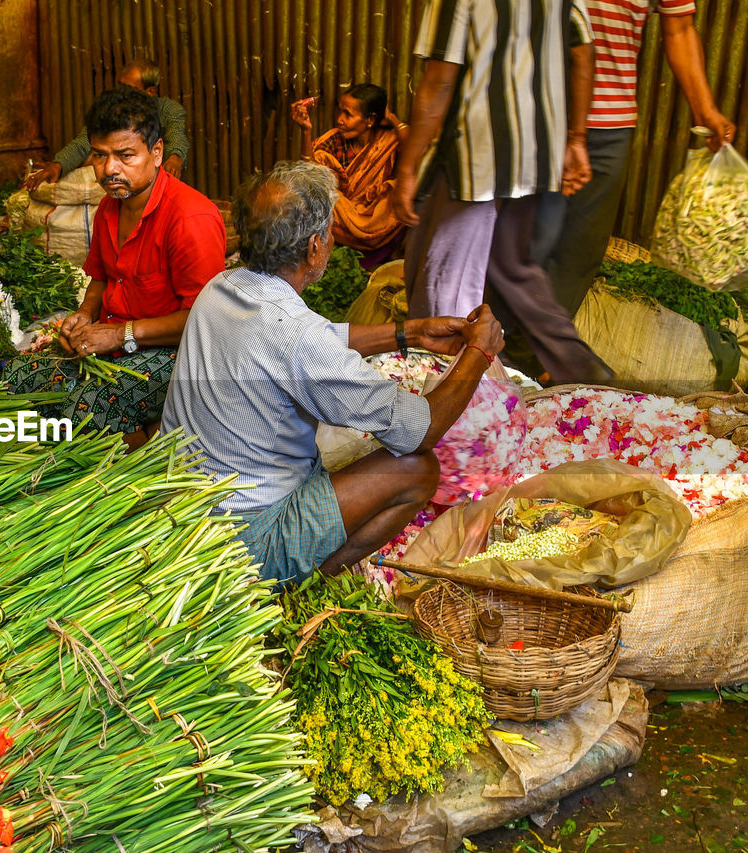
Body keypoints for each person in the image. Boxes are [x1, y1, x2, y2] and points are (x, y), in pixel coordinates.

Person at [161, 161, 505, 584]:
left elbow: (307, 342)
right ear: (313, 247)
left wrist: (409, 333)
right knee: (417, 468)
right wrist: (479, 352)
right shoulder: (296, 334)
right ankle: (299, 581)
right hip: (242, 543)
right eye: (329, 233)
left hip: (184, 510)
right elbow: (421, 430)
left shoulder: (221, 287)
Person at [391, 0, 614, 386]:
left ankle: (442, 387)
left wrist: (407, 167)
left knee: (444, 279)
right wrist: (575, 138)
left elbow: (440, 80)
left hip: (477, 155)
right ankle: (585, 372)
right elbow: (584, 54)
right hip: (535, 156)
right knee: (515, 271)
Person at [5, 85, 225, 446]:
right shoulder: (111, 206)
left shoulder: (189, 217)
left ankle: (148, 465)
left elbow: (205, 321)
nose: (109, 169)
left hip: (180, 356)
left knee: (89, 406)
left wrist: (122, 333)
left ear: (157, 153)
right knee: (21, 376)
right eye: (99, 155)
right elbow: (103, 278)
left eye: (125, 155)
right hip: (120, 342)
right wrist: (86, 314)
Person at [534, 0, 737, 317]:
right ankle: (480, 345)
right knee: (523, 244)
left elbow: (680, 28)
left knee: (579, 251)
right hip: (534, 113)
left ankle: (525, 358)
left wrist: (705, 109)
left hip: (611, 124)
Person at [23, 58, 189, 190]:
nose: (122, 93)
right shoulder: (115, 110)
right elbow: (83, 142)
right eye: (120, 86)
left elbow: (176, 135)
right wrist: (59, 165)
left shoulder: (169, 110)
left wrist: (175, 158)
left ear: (150, 91)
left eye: (129, 88)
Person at [289, 83, 407, 257]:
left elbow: (416, 149)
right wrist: (306, 131)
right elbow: (309, 174)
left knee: (398, 193)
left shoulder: (387, 141)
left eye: (348, 114)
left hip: (374, 223)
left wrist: (392, 119)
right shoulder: (334, 140)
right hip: (339, 223)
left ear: (370, 120)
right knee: (313, 196)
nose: (340, 119)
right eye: (340, 111)